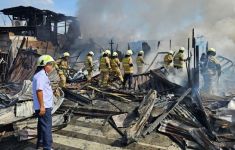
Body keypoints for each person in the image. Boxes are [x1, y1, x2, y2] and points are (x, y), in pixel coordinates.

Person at [32, 55, 55, 150]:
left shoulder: (42, 74)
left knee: (42, 127)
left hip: (44, 106)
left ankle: (40, 144)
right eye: (50, 64)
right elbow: (39, 91)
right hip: (44, 107)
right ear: (45, 65)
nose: (52, 67)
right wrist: (42, 106)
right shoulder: (41, 75)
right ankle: (47, 147)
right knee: (47, 127)